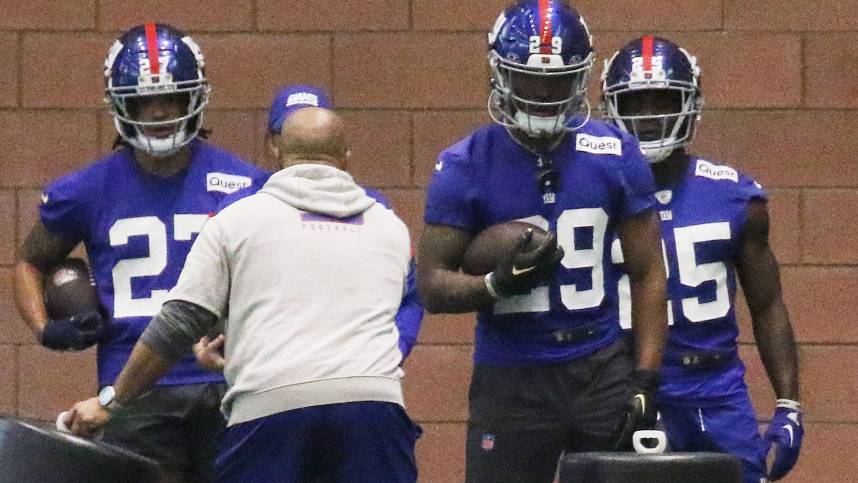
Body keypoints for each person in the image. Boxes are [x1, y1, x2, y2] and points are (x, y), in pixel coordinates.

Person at [64, 107, 422, 483]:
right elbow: (366, 315)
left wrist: (112, 401)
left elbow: (179, 323)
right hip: (375, 409)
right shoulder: (390, 228)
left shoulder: (237, 219)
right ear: (346, 160)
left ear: (277, 154)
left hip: (272, 408)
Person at [416, 2, 668, 482]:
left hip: (599, 364)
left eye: (558, 81)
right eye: (529, 79)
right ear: (500, 75)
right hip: (512, 374)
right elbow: (431, 286)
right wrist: (492, 285)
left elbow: (649, 271)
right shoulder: (465, 163)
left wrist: (646, 376)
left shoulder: (615, 151)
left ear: (580, 78)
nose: (543, 93)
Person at [12, 23, 267, 482]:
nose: (158, 113)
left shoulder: (246, 184)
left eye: (170, 99)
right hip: (132, 387)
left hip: (229, 380)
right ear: (121, 105)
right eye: (144, 102)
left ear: (194, 99)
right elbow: (30, 262)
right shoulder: (86, 189)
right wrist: (45, 327)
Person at [601, 36, 802, 482]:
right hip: (628, 388)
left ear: (690, 106)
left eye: (664, 101)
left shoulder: (733, 195)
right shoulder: (595, 196)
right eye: (636, 103)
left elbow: (768, 305)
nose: (650, 118)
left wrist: (788, 403)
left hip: (716, 388)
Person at [191, 85, 424, 372]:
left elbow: (411, 295)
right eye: (288, 130)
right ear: (272, 144)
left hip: (357, 373)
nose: (307, 140)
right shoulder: (237, 208)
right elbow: (204, 292)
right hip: (270, 377)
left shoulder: (375, 209)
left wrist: (394, 349)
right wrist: (212, 340)